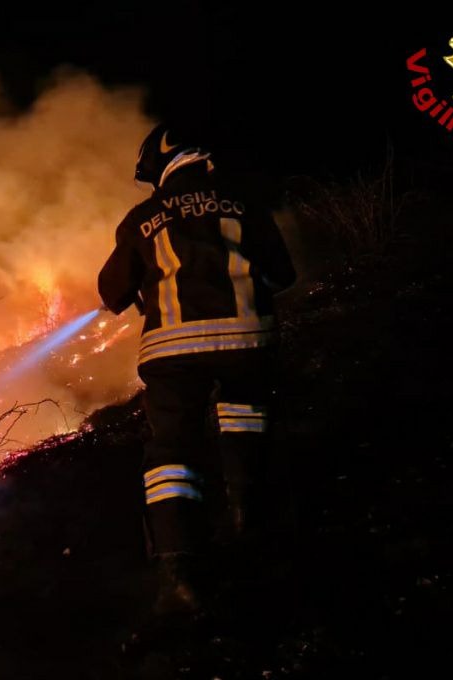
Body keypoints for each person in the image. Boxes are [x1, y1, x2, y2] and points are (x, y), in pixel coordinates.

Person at [98, 123, 296, 618]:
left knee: (171, 450)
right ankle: (247, 514)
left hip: (173, 351)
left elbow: (112, 293)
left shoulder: (143, 218)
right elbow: (282, 275)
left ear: (161, 165)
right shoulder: (245, 205)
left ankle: (178, 573)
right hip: (249, 338)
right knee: (245, 413)